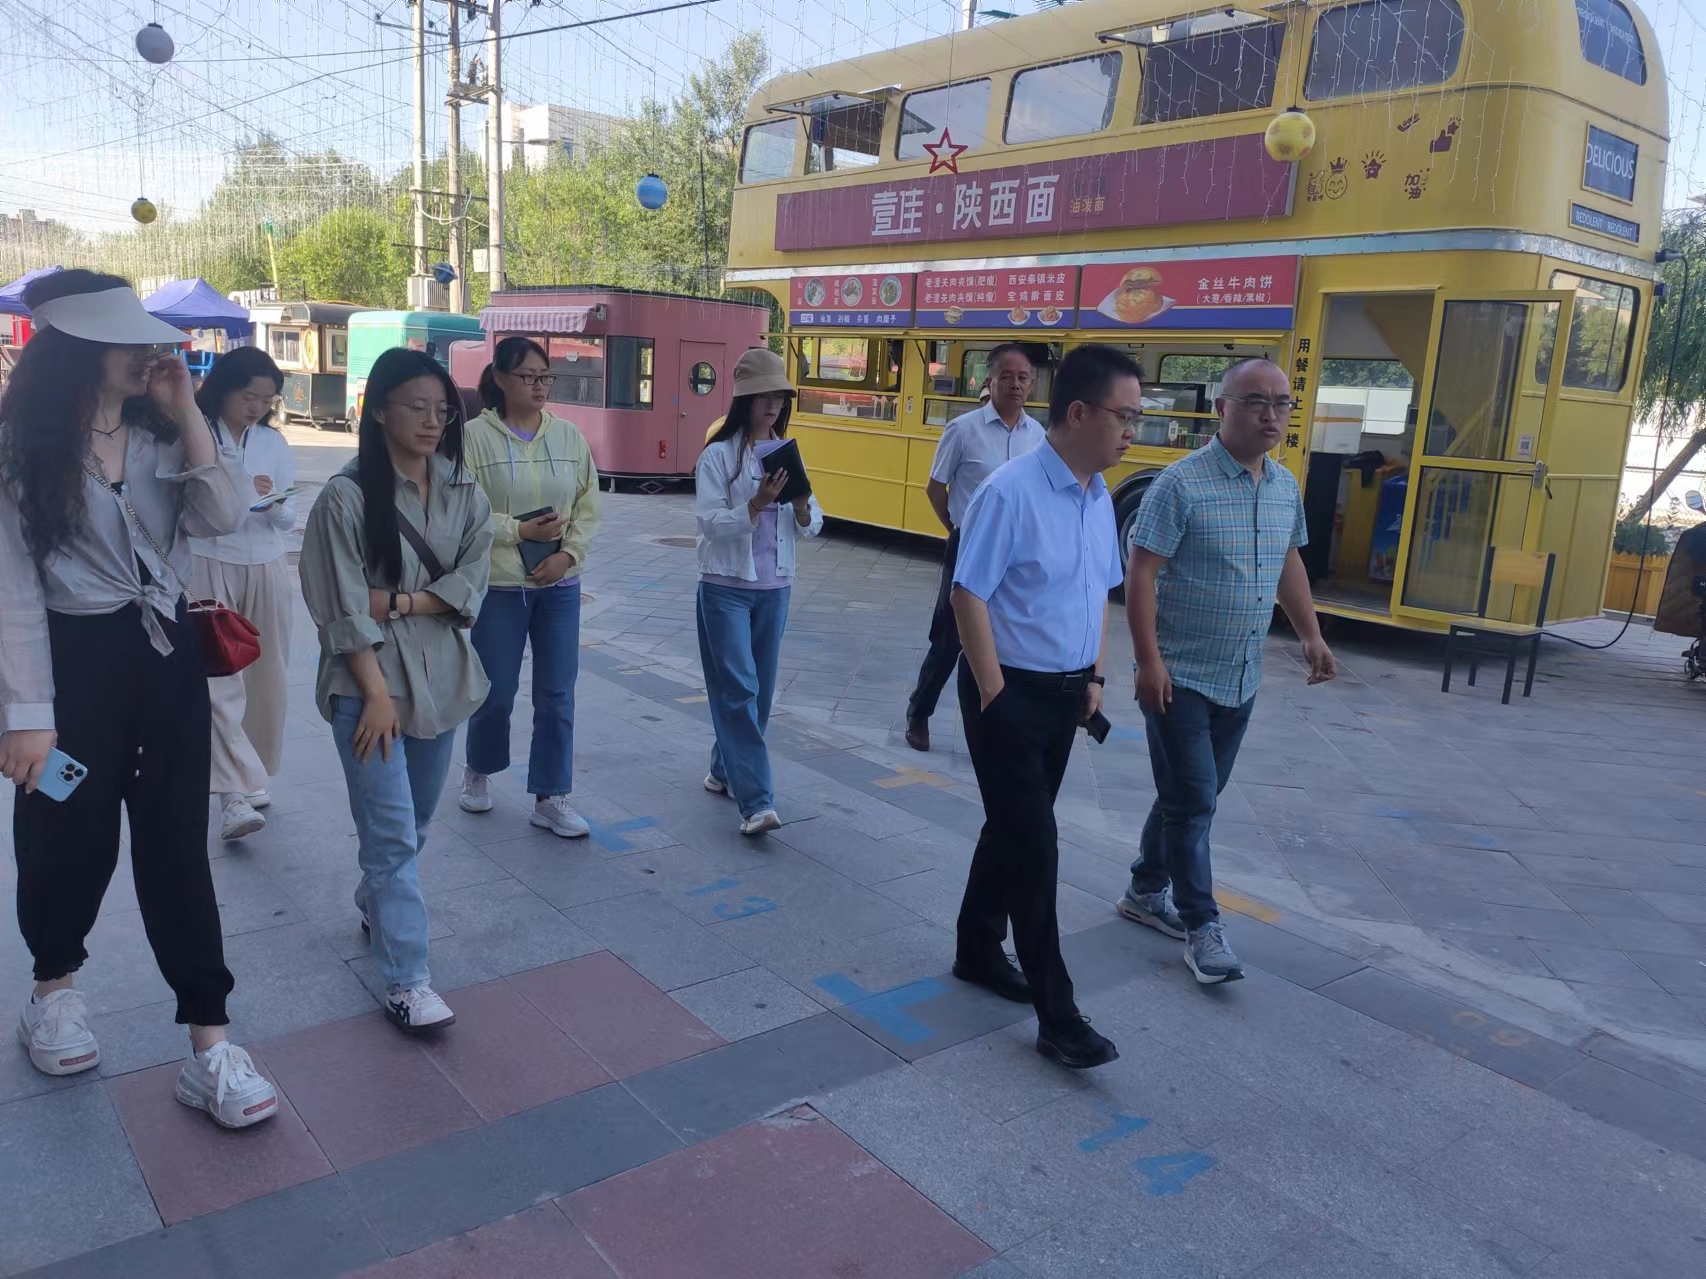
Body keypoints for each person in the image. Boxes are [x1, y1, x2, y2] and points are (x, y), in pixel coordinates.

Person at [0, 270, 278, 1127]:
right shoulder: (21, 448)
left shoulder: (163, 435)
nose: (150, 350)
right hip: (70, 672)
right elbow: (12, 591)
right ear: (79, 347)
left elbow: (223, 517)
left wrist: (188, 410)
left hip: (164, 664)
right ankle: (53, 991)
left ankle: (210, 1039)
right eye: (128, 338)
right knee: (63, 834)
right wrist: (27, 717)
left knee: (175, 844)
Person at [1120, 357, 1337, 984]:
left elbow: (1288, 562)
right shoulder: (1180, 484)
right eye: (1255, 402)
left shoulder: (1284, 486)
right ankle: (1202, 926)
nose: (1271, 415)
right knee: (1194, 801)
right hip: (1179, 674)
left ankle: (1144, 889)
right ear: (1222, 408)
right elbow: (1141, 574)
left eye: (1282, 403)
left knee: (1191, 794)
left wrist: (1311, 635)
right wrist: (1149, 662)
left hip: (1240, 674)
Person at [950, 344, 1136, 1071]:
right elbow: (968, 593)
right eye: (1125, 417)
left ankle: (976, 947)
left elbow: (1099, 593)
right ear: (1079, 412)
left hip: (1066, 694)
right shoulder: (1011, 491)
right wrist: (993, 692)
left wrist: (1096, 677)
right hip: (1008, 692)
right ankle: (1058, 1016)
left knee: (1013, 828)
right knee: (1037, 847)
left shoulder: (1098, 496)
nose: (1133, 432)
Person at [299, 347, 492, 1033]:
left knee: (415, 825)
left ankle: (374, 901)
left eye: (443, 411)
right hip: (369, 687)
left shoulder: (464, 490)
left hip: (441, 679)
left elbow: (473, 580)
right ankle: (408, 979)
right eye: (417, 407)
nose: (433, 421)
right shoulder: (345, 498)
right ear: (378, 410)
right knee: (389, 835)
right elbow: (343, 608)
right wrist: (375, 693)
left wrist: (403, 602)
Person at [459, 337, 601, 836]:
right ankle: (479, 768)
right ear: (500, 378)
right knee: (496, 690)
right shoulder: (473, 438)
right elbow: (465, 508)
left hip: (559, 587)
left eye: (545, 377)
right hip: (500, 585)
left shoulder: (569, 437)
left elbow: (588, 505)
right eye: (528, 376)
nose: (539, 386)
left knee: (557, 693)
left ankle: (551, 794)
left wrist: (568, 556)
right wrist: (517, 532)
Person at [694, 347, 822, 835]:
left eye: (779, 397)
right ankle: (757, 802)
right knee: (739, 690)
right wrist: (755, 503)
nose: (772, 405)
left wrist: (803, 506)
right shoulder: (717, 456)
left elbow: (810, 522)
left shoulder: (786, 451)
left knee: (760, 695)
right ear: (743, 400)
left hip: (776, 587)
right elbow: (709, 524)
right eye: (762, 396)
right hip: (724, 588)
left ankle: (724, 769)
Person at [905, 345, 1046, 752]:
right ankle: (919, 711)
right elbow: (936, 487)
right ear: (989, 380)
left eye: (1023, 377)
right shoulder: (963, 430)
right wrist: (956, 528)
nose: (1016, 384)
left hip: (1015, 555)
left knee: (1005, 640)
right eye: (1007, 376)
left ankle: (994, 726)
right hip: (969, 547)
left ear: (1032, 384)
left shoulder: (1038, 436)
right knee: (950, 639)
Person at [189, 346, 294, 842]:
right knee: (219, 677)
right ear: (224, 388)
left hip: (266, 562)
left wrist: (271, 501)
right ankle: (230, 792)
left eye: (266, 399)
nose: (256, 407)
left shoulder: (272, 441)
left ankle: (253, 774)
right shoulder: (195, 433)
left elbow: (288, 517)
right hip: (209, 561)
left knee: (268, 674)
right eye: (249, 396)